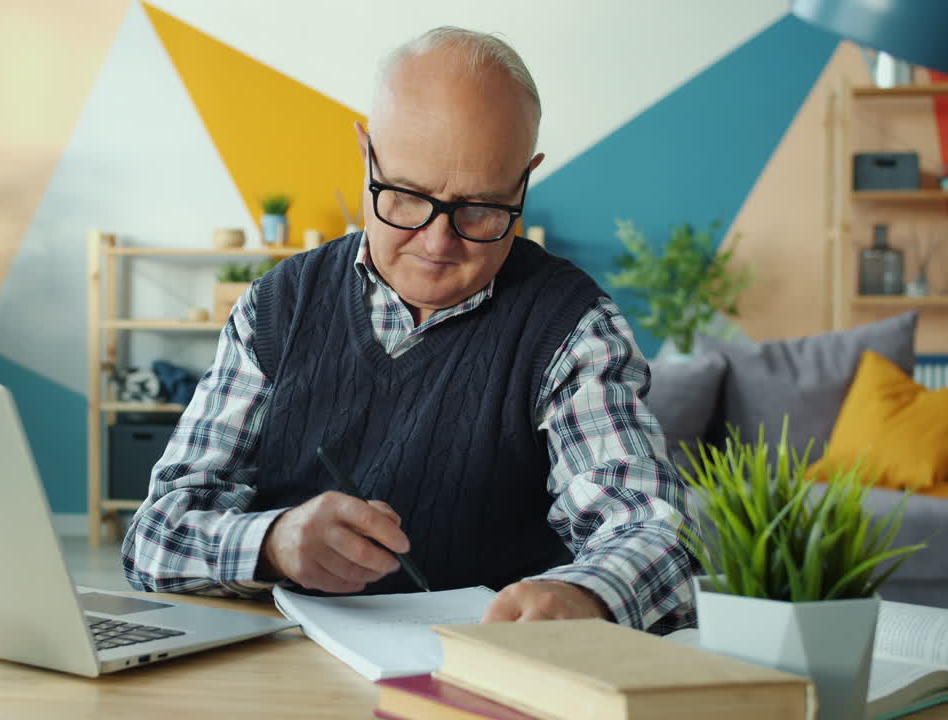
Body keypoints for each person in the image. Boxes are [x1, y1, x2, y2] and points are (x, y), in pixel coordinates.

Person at [121, 26, 694, 634]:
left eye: (480, 208)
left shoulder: (572, 326)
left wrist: (586, 595)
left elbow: (655, 535)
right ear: (366, 155)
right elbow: (154, 537)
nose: (438, 242)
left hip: (487, 668)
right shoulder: (277, 307)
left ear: (525, 180)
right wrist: (272, 542)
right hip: (282, 668)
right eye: (406, 196)